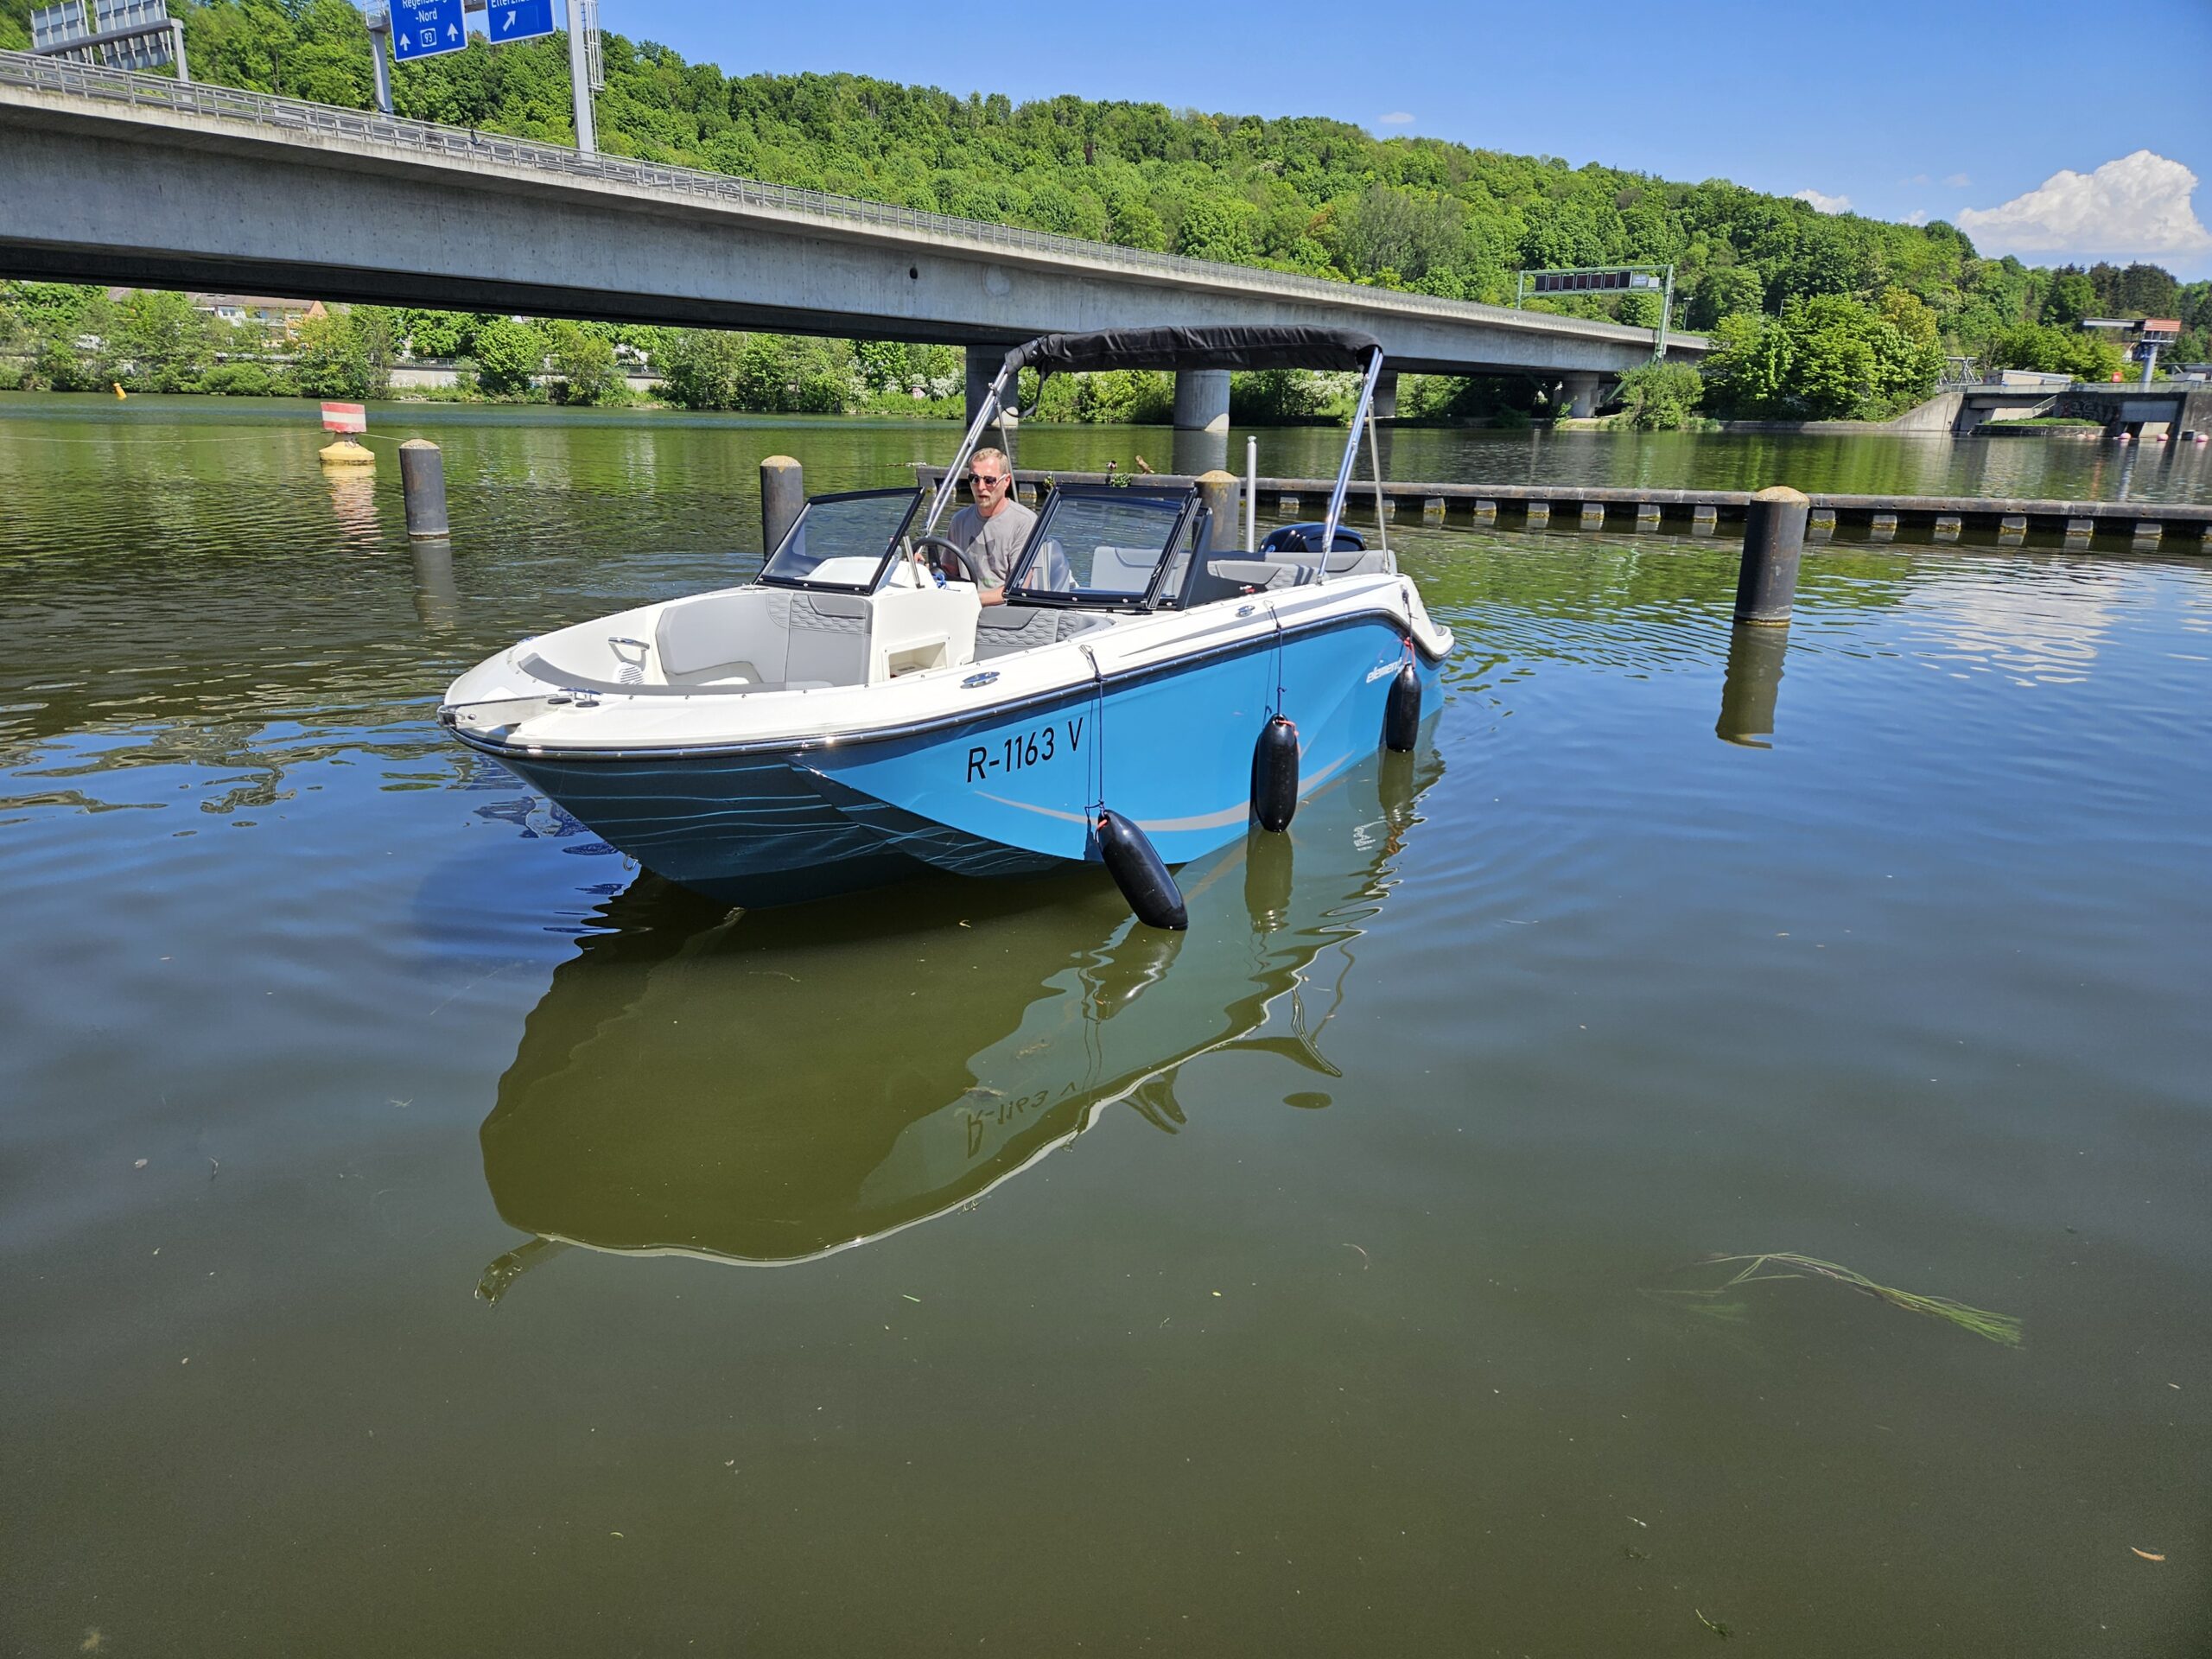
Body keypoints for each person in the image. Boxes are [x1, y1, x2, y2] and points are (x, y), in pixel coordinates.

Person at [941, 448, 1034, 606]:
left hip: (1005, 613)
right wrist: (922, 568)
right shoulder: (959, 520)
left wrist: (970, 600)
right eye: (974, 479)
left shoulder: (1025, 522)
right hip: (964, 608)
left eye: (989, 480)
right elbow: (948, 572)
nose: (981, 487)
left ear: (1006, 482)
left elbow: (1016, 589)